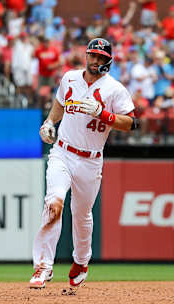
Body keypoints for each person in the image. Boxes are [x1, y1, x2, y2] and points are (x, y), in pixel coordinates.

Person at [30, 38, 138, 289]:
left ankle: (81, 261)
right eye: (93, 55)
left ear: (108, 61)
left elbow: (132, 123)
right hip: (63, 152)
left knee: (82, 215)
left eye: (101, 57)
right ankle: (43, 265)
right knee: (54, 202)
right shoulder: (69, 78)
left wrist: (103, 113)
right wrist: (49, 123)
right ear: (86, 56)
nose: (95, 60)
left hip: (90, 159)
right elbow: (59, 104)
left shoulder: (114, 89)